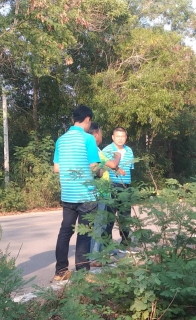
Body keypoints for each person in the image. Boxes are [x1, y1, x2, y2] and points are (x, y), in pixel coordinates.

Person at [52, 105, 101, 281]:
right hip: (86, 194)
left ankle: (60, 271)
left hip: (68, 194)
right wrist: (100, 172)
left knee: (65, 231)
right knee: (85, 232)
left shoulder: (61, 140)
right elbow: (94, 166)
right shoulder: (88, 139)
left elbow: (56, 168)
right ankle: (83, 273)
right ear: (87, 119)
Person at [88, 123, 121, 267]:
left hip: (101, 191)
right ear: (96, 134)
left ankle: (99, 254)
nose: (101, 136)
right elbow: (112, 165)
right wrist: (118, 156)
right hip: (100, 192)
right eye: (100, 133)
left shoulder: (93, 149)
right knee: (98, 225)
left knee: (99, 225)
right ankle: (95, 258)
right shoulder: (95, 150)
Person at [102, 127, 135, 250]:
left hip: (126, 187)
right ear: (113, 137)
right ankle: (107, 245)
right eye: (118, 136)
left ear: (126, 137)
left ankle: (125, 243)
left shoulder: (129, 150)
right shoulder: (107, 150)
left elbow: (129, 169)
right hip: (112, 186)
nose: (120, 139)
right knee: (110, 216)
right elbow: (103, 166)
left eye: (123, 136)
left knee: (125, 216)